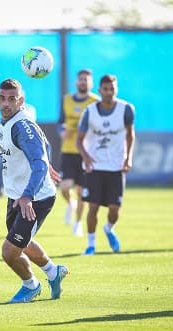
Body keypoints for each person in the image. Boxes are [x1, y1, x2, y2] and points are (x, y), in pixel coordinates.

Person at [0, 78, 68, 303]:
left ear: (21, 101)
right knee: (22, 242)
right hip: (17, 195)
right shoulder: (9, 123)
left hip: (35, 197)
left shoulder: (21, 126)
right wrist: (46, 162)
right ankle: (54, 272)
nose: (6, 103)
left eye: (12, 99)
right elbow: (43, 146)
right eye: (2, 98)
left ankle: (31, 285)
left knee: (9, 251)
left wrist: (28, 193)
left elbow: (38, 160)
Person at [76, 74, 135, 256]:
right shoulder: (89, 111)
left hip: (116, 166)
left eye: (112, 89)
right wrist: (85, 157)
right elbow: (79, 140)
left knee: (114, 210)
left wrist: (128, 158)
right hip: (94, 166)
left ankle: (109, 229)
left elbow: (130, 135)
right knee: (92, 207)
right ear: (100, 90)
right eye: (106, 89)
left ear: (116, 90)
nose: (109, 93)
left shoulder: (126, 109)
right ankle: (91, 244)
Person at [57, 69, 100, 237]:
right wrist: (62, 131)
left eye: (86, 80)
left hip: (86, 152)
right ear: (76, 82)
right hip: (68, 150)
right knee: (64, 187)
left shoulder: (95, 101)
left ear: (91, 83)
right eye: (81, 79)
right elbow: (60, 121)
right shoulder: (66, 100)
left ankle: (78, 222)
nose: (83, 82)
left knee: (82, 192)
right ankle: (70, 204)